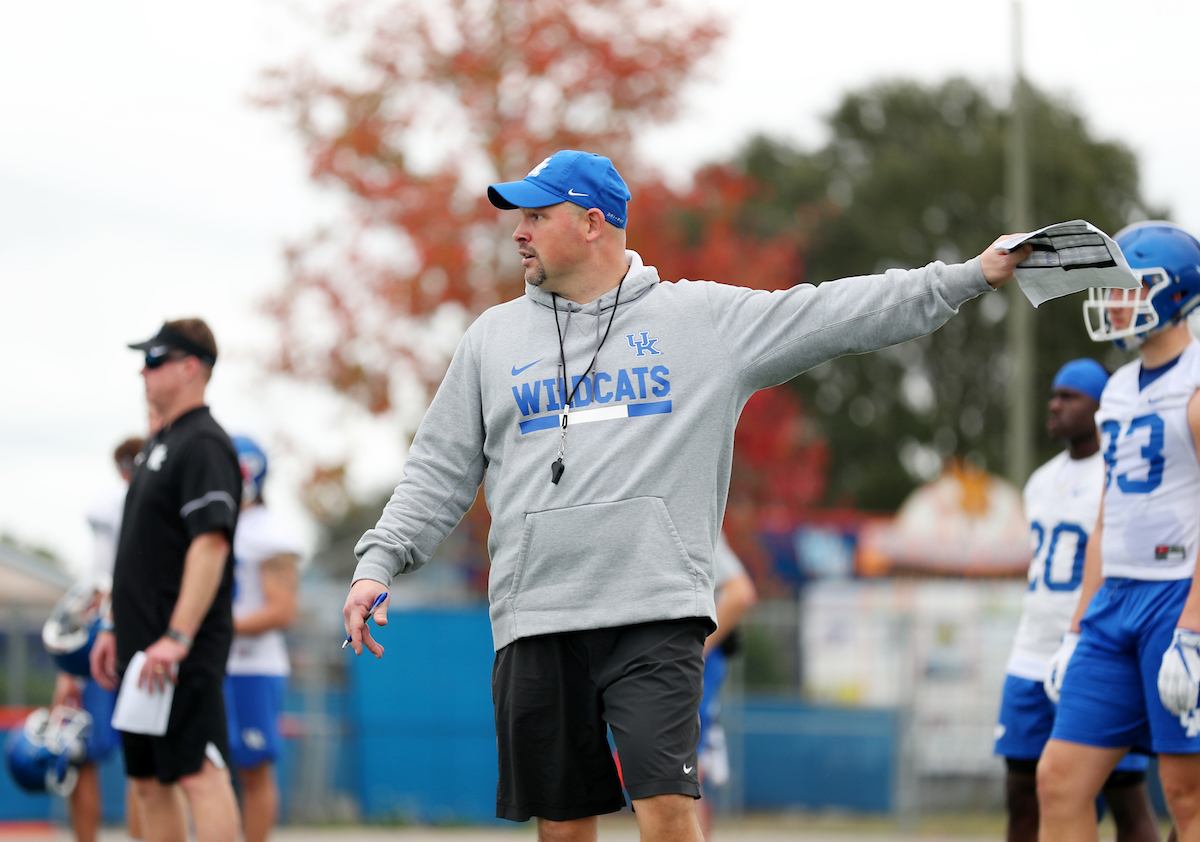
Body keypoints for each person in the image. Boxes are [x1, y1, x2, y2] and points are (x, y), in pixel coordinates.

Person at [341, 149, 1030, 841]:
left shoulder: (702, 321)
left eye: (537, 216)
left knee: (668, 813)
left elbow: (837, 311)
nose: (519, 231)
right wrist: (378, 564)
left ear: (592, 223)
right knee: (562, 827)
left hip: (656, 611)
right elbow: (437, 470)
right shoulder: (491, 339)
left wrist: (971, 276)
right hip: (537, 616)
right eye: (519, 217)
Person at [1038, 221, 1200, 841]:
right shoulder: (1119, 391)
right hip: (1114, 604)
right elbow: (1107, 516)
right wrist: (1077, 627)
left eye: (1129, 287)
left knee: (1186, 794)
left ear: (1173, 292)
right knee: (1060, 778)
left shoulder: (1193, 382)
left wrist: (1190, 627)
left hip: (1176, 595)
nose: (1113, 301)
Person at [89, 318, 243, 842]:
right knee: (149, 782)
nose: (143, 370)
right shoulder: (162, 443)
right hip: (140, 646)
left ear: (189, 367)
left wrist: (178, 636)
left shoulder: (203, 442)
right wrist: (113, 626)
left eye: (154, 360)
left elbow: (211, 542)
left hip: (178, 647)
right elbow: (136, 554)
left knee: (199, 772)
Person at [995, 359, 1160, 842]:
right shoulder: (1041, 480)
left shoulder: (1122, 473)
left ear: (1101, 405)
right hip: (1030, 652)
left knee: (1125, 795)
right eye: (1053, 394)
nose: (1055, 404)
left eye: (1069, 396)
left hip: (1095, 651)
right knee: (1022, 794)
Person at [50, 437, 145, 842]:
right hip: (118, 636)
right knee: (94, 755)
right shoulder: (119, 506)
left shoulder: (147, 504)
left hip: (132, 637)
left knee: (144, 764)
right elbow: (99, 584)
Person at [224, 435, 301, 842]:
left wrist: (213, 629)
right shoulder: (212, 524)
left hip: (250, 665)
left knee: (253, 768)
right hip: (212, 662)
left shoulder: (268, 532)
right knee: (200, 768)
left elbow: (282, 609)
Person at [696, 533, 757, 840]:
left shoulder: (693, 516)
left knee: (679, 775)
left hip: (687, 663)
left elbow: (741, 593)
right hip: (686, 662)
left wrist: (696, 648)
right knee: (683, 773)